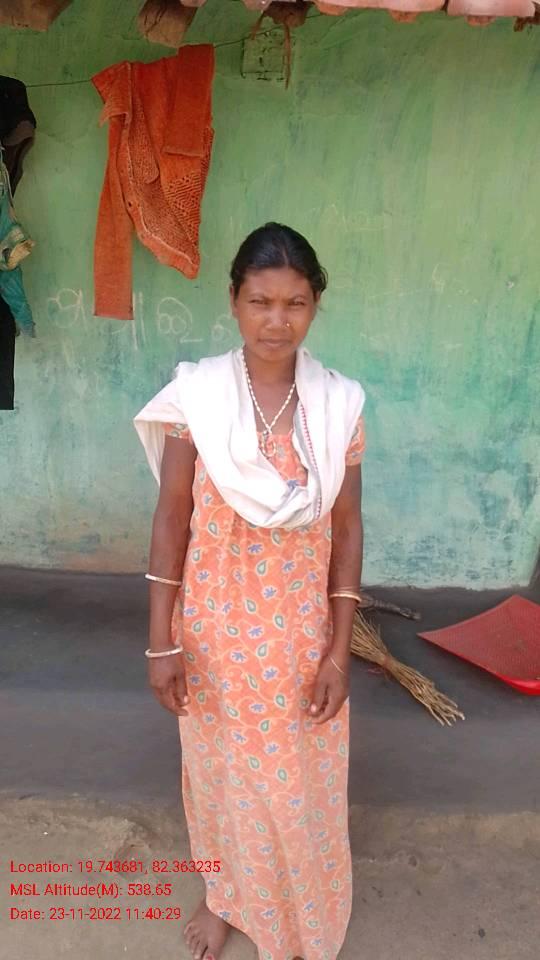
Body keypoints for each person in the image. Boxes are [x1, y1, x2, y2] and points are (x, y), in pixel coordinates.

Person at [134, 222, 366, 960]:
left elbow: (347, 529)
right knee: (221, 776)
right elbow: (171, 517)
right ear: (234, 301)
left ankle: (296, 907)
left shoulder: (338, 406)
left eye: (295, 303)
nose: (277, 320)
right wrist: (161, 639)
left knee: (295, 785)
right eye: (260, 301)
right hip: (213, 629)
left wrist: (339, 650)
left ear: (315, 305)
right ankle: (225, 898)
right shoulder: (196, 398)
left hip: (298, 634)